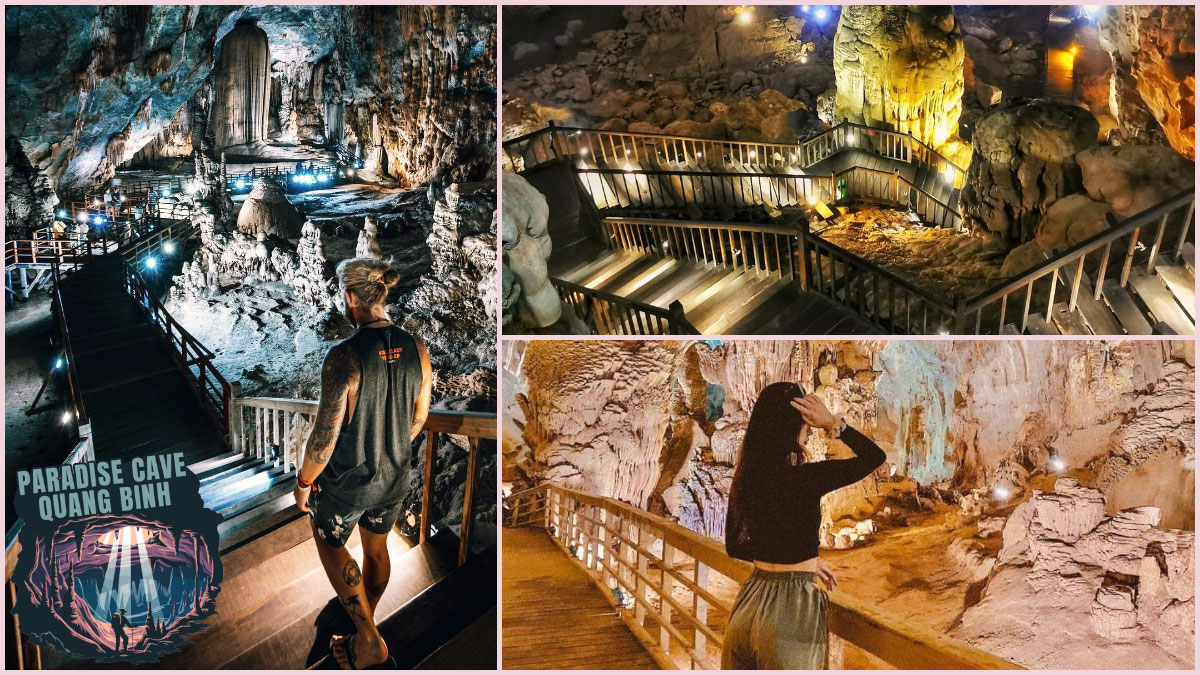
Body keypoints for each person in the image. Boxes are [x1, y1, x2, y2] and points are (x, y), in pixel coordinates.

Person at [294, 257, 432, 669]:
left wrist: (304, 484)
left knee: (330, 541)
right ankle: (363, 624)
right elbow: (420, 417)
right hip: (394, 478)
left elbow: (324, 436)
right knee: (377, 548)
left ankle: (369, 637)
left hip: (347, 484)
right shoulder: (418, 348)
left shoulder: (345, 357)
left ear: (351, 297)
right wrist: (389, 446)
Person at [722, 382, 886, 670]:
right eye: (806, 422)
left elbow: (735, 546)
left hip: (746, 608)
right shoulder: (806, 478)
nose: (810, 430)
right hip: (790, 614)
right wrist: (833, 423)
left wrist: (802, 560)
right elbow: (875, 458)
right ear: (789, 427)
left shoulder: (748, 478)